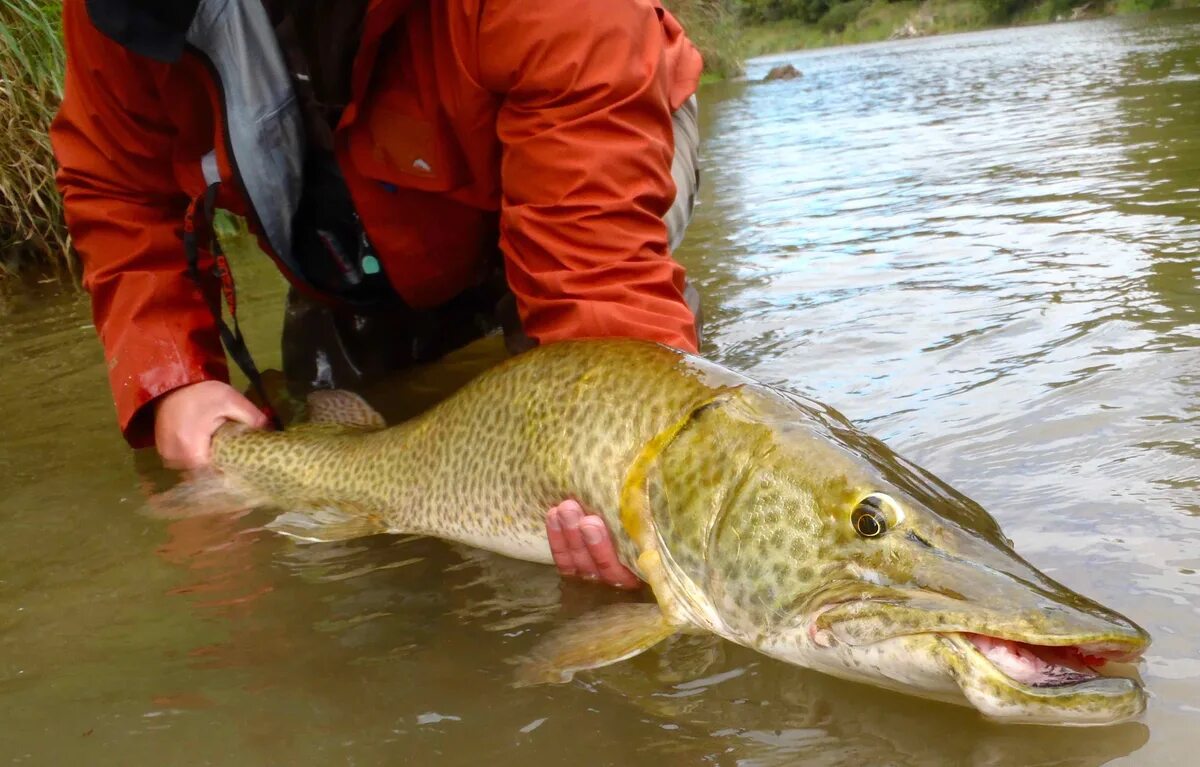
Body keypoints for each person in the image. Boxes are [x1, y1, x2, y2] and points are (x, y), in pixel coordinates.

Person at [51, 0, 704, 590]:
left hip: (587, 139)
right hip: (360, 193)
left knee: (594, 407)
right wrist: (174, 380)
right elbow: (117, 181)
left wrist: (628, 488)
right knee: (335, 404)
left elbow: (596, 272)